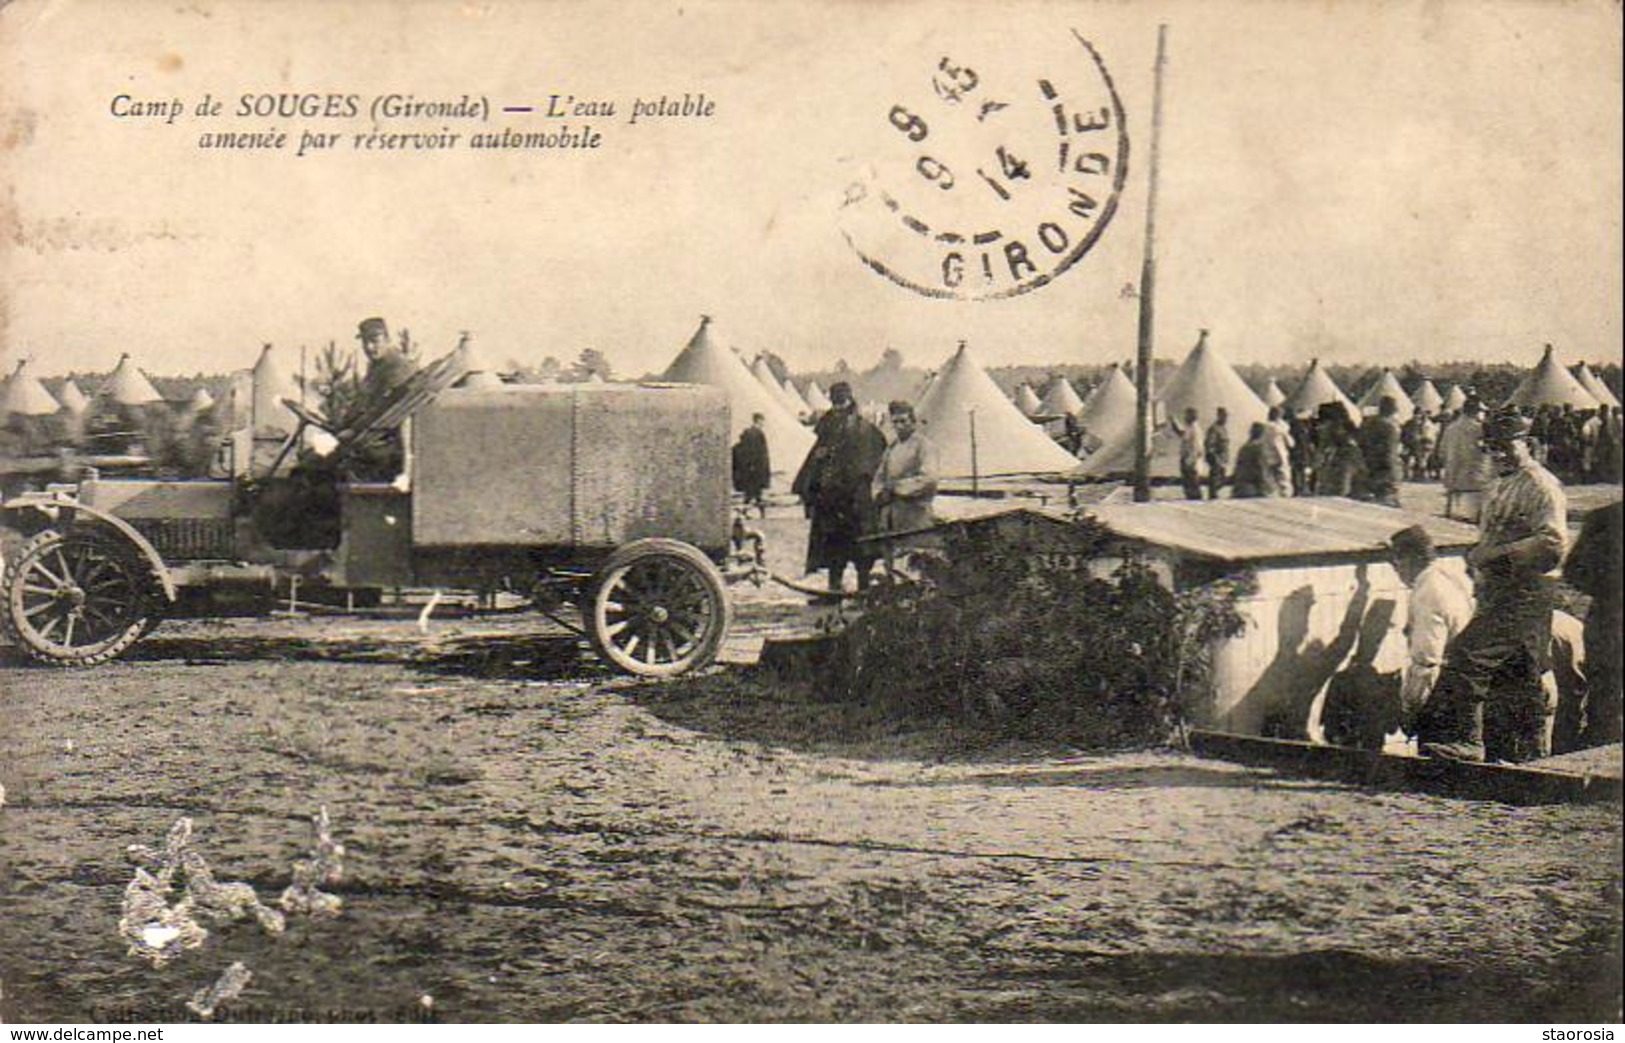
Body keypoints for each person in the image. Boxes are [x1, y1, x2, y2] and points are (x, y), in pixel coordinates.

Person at [1416, 412, 1567, 763]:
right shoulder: (1499, 482)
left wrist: (1494, 557)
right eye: (1492, 448)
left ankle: (1463, 740)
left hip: (1527, 589)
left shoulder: (1541, 485)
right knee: (1518, 672)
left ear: (1527, 444)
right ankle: (1523, 754)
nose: (1498, 454)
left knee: (1470, 654)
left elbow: (1552, 544)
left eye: (1505, 446)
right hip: (1501, 587)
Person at [791, 381, 887, 598]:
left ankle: (863, 586)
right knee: (833, 544)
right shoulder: (828, 427)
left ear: (849, 400)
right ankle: (835, 584)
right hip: (832, 500)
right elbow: (816, 458)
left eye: (841, 402)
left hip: (856, 499)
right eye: (835, 403)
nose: (838, 408)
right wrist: (811, 487)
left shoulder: (865, 430)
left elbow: (873, 462)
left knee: (862, 545)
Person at [1387, 525, 1475, 743]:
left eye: (1397, 564)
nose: (1397, 572)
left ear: (1410, 559)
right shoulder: (1449, 578)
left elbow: (1427, 660)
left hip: (1442, 695)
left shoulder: (1427, 593)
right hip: (1467, 685)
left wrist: (1410, 707)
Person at [1564, 501, 1621, 748]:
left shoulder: (1603, 517)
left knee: (1604, 694)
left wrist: (1606, 589)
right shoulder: (1602, 518)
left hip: (1608, 616)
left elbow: (1573, 572)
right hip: (1608, 618)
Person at [871, 401, 939, 536]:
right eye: (895, 422)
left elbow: (929, 478)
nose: (899, 426)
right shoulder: (891, 448)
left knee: (915, 552)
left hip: (915, 512)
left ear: (913, 422)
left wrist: (897, 488)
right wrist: (879, 493)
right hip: (891, 514)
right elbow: (879, 477)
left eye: (903, 421)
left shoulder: (924, 446)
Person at [1439, 398, 1490, 521]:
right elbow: (1487, 451)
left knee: (1453, 520)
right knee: (1472, 517)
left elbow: (1442, 450)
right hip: (1474, 477)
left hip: (1453, 476)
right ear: (1476, 412)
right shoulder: (1478, 429)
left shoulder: (1450, 428)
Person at [1357, 395, 1404, 507]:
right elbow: (1390, 451)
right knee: (1387, 502)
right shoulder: (1390, 427)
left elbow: (1360, 442)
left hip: (1367, 464)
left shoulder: (1367, 423)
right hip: (1384, 468)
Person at [1312, 403, 1366, 497]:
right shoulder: (1332, 450)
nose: (1319, 429)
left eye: (1323, 425)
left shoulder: (1347, 452)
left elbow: (1340, 491)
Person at [730, 413, 771, 518]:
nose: (763, 423)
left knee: (753, 492)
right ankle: (758, 512)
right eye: (762, 421)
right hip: (756, 468)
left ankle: (751, 512)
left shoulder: (750, 432)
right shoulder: (756, 433)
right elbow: (755, 452)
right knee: (755, 492)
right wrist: (754, 465)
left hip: (753, 467)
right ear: (758, 420)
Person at [1231, 422, 1281, 498]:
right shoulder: (1258, 448)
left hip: (1241, 488)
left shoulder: (1244, 447)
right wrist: (1269, 487)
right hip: (1255, 490)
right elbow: (1261, 470)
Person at [1171, 407, 1204, 500]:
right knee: (1189, 482)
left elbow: (1195, 446)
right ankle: (1193, 497)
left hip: (1190, 459)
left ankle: (1195, 498)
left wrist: (1190, 460)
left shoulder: (1194, 428)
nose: (1185, 417)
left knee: (1191, 481)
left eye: (1187, 415)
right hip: (1190, 458)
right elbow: (1182, 434)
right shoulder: (1191, 427)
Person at [1265, 405, 1295, 495]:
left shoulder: (1265, 426)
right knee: (1283, 478)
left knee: (1270, 478)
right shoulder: (1280, 428)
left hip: (1267, 456)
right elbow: (1290, 443)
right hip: (1279, 455)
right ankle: (1284, 494)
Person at [1204, 407, 1231, 500]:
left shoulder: (1223, 429)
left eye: (1226, 416)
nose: (1226, 418)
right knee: (1215, 478)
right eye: (1224, 416)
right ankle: (1213, 496)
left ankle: (1214, 494)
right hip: (1217, 458)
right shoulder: (1214, 429)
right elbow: (1210, 444)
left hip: (1223, 459)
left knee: (1221, 478)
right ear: (1219, 416)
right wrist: (1214, 457)